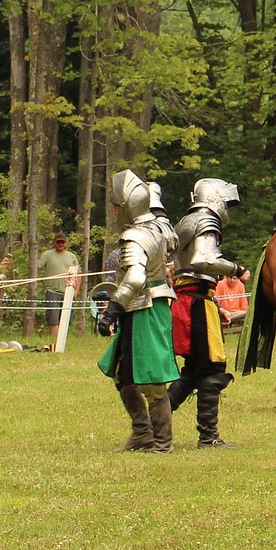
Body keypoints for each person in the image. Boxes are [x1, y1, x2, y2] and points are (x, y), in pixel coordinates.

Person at [96, 170, 179, 452]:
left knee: (152, 379)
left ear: (127, 206)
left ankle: (162, 442)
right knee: (122, 373)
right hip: (141, 306)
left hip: (145, 307)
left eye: (117, 205)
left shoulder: (135, 236)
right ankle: (142, 433)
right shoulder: (159, 227)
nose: (114, 211)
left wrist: (111, 311)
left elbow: (134, 278)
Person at [168, 178, 248, 445]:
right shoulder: (206, 222)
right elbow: (203, 260)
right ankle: (208, 436)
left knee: (194, 369)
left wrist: (216, 306)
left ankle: (155, 422)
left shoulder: (185, 222)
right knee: (212, 368)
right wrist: (237, 269)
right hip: (196, 305)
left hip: (194, 301)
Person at [38, 232, 82, 348]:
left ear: (66, 243)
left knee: (67, 318)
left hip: (68, 292)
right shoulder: (47, 255)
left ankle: (62, 343)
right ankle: (54, 343)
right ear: (54, 243)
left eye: (62, 242)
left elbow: (78, 275)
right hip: (52, 291)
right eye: (58, 242)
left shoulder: (72, 256)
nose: (60, 244)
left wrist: (75, 292)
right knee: (53, 317)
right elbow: (37, 265)